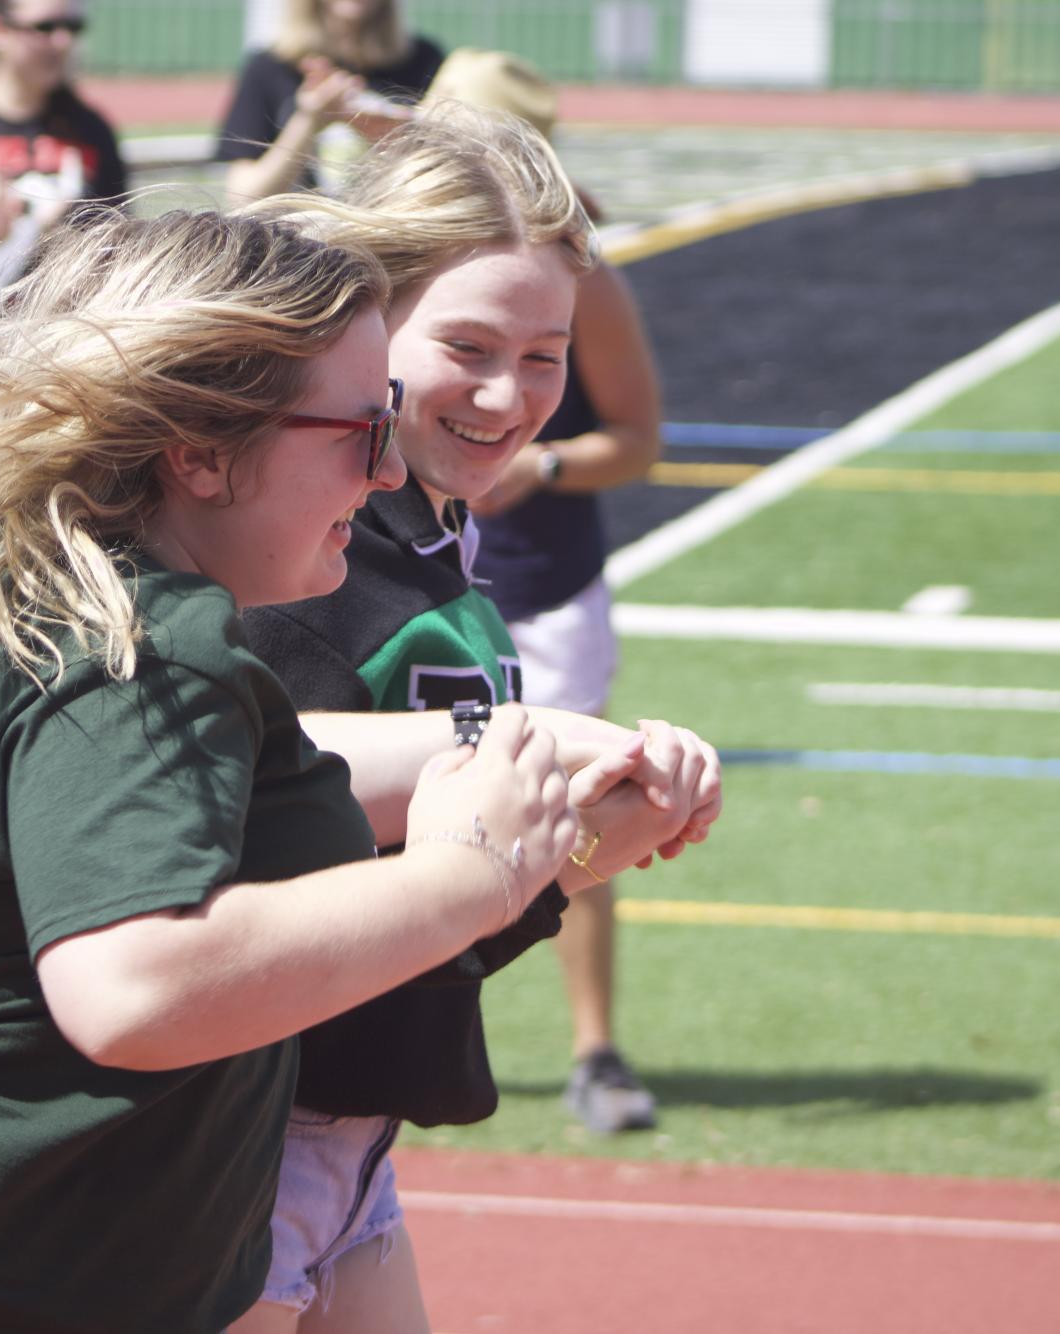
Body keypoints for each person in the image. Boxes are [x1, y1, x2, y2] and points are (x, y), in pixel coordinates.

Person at [0, 208, 589, 1333]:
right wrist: (468, 875)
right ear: (197, 449)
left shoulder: (63, 581)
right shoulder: (135, 648)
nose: (386, 472)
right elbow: (134, 987)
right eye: (355, 430)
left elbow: (268, 768)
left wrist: (516, 757)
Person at [233, 104, 722, 1331]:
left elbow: (449, 898)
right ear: (369, 322)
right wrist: (525, 793)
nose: (510, 395)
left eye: (547, 354)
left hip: (353, 1142)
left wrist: (596, 826)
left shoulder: (433, 538)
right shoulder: (304, 562)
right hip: (242, 1138)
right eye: (467, 344)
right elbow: (232, 835)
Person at [429, 48, 670, 1135]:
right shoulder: (390, 266)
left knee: (577, 819)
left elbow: (638, 438)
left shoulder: (583, 274)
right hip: (402, 581)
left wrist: (546, 466)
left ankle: (594, 1047)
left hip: (538, 584)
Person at [0, 0, 126, 300]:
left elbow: (119, 244)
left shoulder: (91, 131)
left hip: (63, 328)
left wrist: (57, 236)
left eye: (72, 27)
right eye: (44, 27)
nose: (62, 41)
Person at [215, 0, 443, 204]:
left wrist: (397, 138)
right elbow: (243, 198)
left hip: (394, 237)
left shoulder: (423, 60)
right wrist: (308, 121)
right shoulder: (271, 67)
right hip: (301, 242)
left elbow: (448, 182)